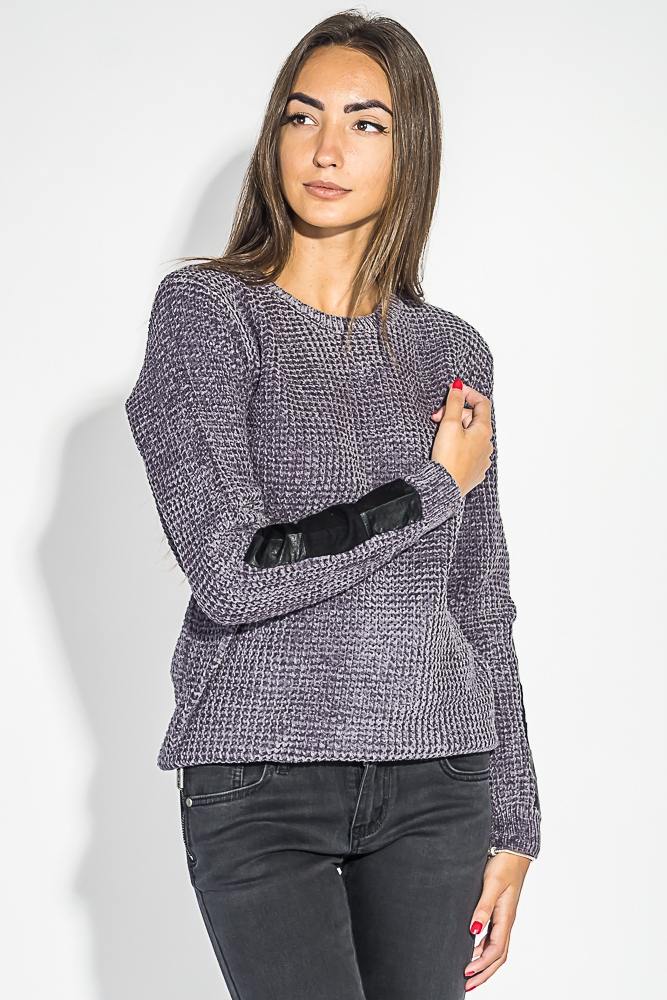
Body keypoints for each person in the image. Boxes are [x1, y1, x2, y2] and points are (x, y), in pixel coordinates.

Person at [126, 10, 540, 1000]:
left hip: (440, 776)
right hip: (261, 780)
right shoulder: (207, 316)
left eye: (365, 123)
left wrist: (516, 823)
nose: (325, 149)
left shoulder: (453, 351)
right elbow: (233, 572)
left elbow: (479, 598)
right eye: (302, 116)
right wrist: (431, 487)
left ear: (409, 150)